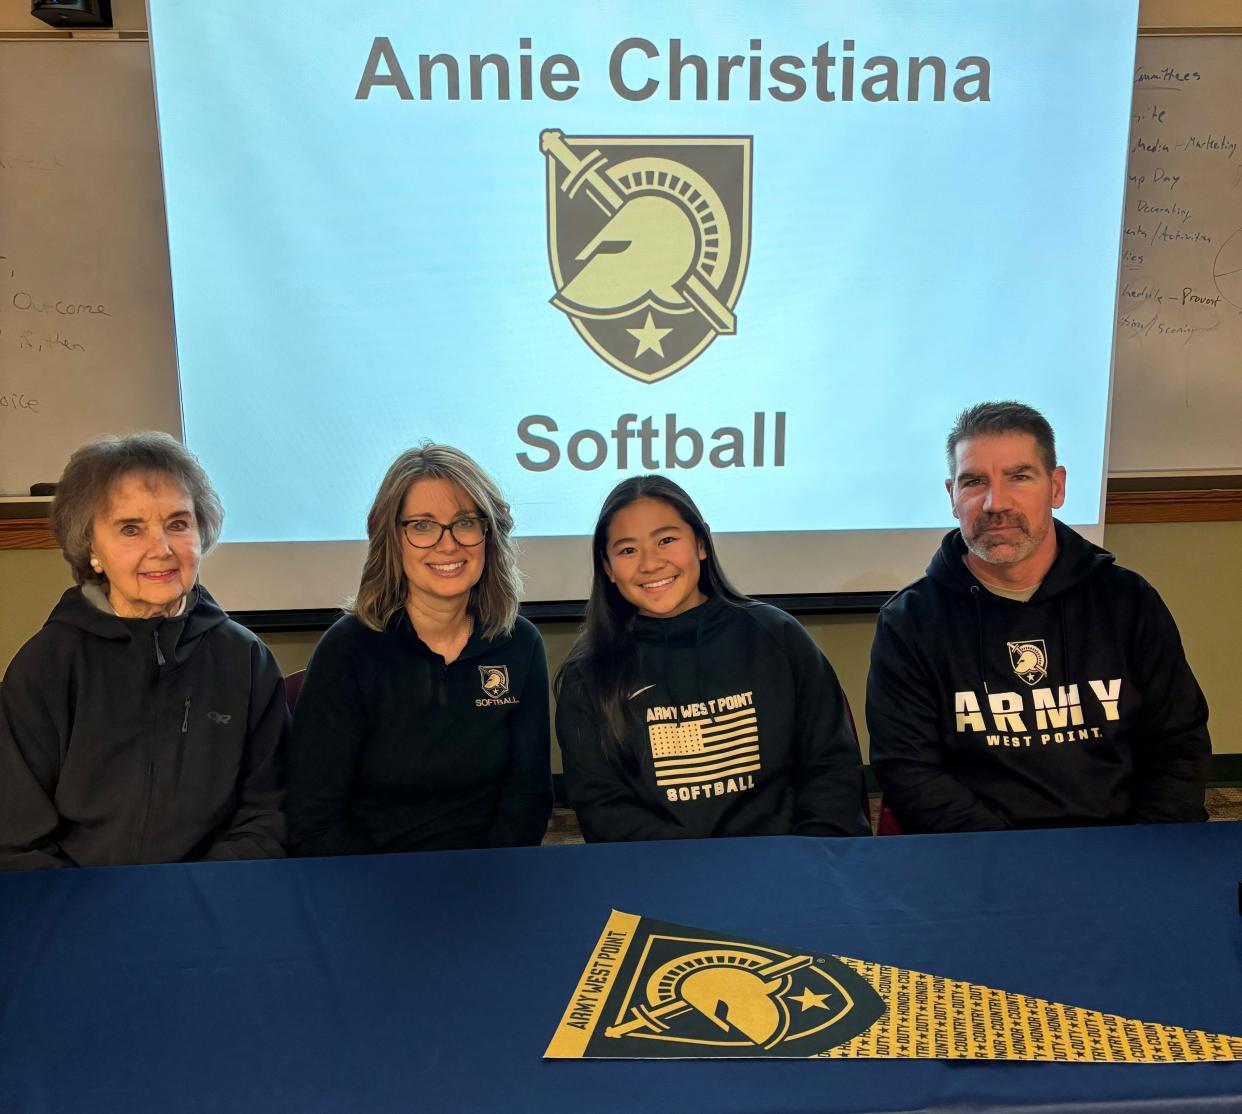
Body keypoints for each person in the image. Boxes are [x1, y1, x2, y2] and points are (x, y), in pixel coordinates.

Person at [867, 401, 1210, 832]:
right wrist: (1011, 859)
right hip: (979, 858)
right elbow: (908, 770)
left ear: (1057, 487)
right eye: (974, 482)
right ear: (953, 497)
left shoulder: (1128, 601)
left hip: (1123, 847)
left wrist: (1142, 850)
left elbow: (1178, 745)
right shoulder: (910, 621)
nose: (996, 503)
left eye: (1019, 476)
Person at [0, 433, 287, 869]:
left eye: (178, 523)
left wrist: (195, 896)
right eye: (131, 528)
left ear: (201, 532)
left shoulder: (245, 660)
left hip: (211, 900)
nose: (163, 549)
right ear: (91, 547)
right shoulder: (47, 665)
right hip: (75, 908)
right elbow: (16, 838)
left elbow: (268, 816)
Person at [555, 475, 869, 842]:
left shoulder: (778, 637)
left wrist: (803, 860)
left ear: (701, 543)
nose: (650, 563)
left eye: (667, 540)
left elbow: (831, 771)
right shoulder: (587, 673)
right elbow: (603, 809)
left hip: (788, 866)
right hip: (664, 881)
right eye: (627, 550)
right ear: (607, 568)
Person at [287, 444, 552, 854]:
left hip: (489, 878)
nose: (448, 545)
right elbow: (314, 820)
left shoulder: (519, 645)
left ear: (489, 535)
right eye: (423, 526)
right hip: (372, 882)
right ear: (393, 539)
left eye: (465, 522)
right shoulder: (348, 650)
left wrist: (490, 881)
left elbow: (528, 797)